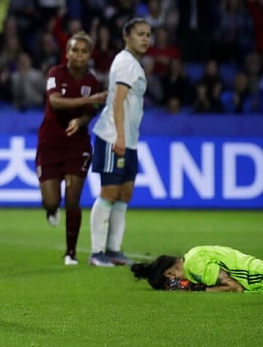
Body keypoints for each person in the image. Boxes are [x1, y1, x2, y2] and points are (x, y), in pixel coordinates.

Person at [35, 32, 107, 265]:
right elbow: (55, 102)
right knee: (52, 201)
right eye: (74, 50)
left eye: (83, 51)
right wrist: (90, 100)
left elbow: (91, 113)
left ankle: (71, 253)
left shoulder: (92, 82)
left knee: (73, 197)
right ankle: (50, 210)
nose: (79, 55)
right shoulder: (55, 74)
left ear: (89, 55)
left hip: (77, 143)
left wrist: (81, 121)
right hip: (50, 142)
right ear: (67, 53)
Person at [89, 17, 151, 267]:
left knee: (125, 194)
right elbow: (117, 101)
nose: (145, 38)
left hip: (129, 140)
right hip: (114, 137)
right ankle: (96, 252)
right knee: (109, 193)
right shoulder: (126, 62)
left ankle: (113, 249)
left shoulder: (133, 63)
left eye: (148, 34)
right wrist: (121, 137)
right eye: (140, 34)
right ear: (127, 37)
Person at [131, 246, 263, 292]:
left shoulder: (194, 267)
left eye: (168, 286)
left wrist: (198, 289)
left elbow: (235, 287)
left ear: (170, 274)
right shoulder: (193, 254)